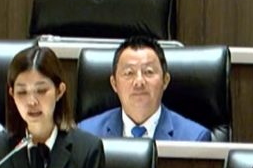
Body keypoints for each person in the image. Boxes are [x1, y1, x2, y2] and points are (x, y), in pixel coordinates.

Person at [77, 35, 211, 142]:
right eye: (129, 73)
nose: (139, 82)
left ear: (165, 81)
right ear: (114, 84)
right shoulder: (86, 134)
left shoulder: (194, 138)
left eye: (148, 72)